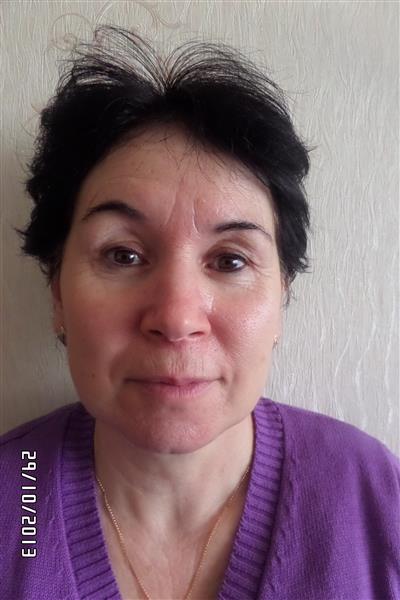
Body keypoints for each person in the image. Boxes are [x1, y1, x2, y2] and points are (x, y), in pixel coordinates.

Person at [1, 25, 399, 600]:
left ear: (282, 296)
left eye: (231, 260)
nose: (177, 317)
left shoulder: (374, 497)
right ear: (57, 292)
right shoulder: (15, 497)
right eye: (123, 254)